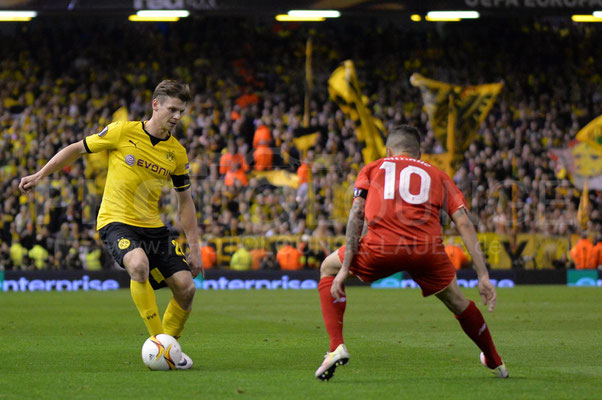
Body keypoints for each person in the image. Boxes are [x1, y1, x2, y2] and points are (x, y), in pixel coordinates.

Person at [19, 80, 202, 369]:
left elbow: (185, 202)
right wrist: (40, 175)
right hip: (116, 221)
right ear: (156, 105)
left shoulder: (177, 153)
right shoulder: (122, 131)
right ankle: (159, 343)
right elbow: (77, 148)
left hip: (153, 227)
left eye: (182, 111)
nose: (178, 116)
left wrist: (195, 248)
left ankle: (170, 348)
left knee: (187, 288)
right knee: (138, 265)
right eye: (173, 109)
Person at [315, 125, 508, 381]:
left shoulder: (374, 167)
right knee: (458, 301)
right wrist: (483, 275)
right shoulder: (438, 175)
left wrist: (344, 268)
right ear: (419, 153)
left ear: (388, 151)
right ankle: (495, 361)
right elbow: (463, 221)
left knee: (328, 268)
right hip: (427, 251)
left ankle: (335, 347)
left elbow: (356, 214)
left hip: (381, 246)